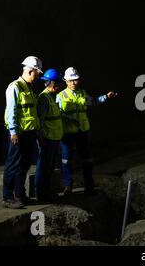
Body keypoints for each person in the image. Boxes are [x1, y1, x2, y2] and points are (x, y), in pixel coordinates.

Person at [57, 67, 117, 195]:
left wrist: (106, 96)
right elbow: (58, 113)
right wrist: (70, 120)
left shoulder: (83, 93)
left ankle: (89, 185)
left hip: (82, 132)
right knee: (66, 160)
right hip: (67, 133)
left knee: (87, 159)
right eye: (71, 80)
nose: (73, 83)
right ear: (66, 81)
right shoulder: (61, 96)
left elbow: (94, 102)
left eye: (76, 80)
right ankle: (68, 185)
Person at [3, 56, 43, 209]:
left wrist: (37, 132)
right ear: (30, 71)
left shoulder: (29, 88)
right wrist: (13, 131)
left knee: (24, 164)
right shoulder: (15, 87)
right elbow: (11, 111)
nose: (38, 77)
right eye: (37, 73)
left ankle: (20, 195)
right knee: (13, 164)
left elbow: (31, 113)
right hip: (18, 133)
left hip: (29, 133)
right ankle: (7, 197)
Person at [35, 69, 64, 203]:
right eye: (60, 84)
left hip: (54, 138)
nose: (61, 87)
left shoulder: (52, 97)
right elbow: (39, 121)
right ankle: (41, 195)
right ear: (54, 84)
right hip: (47, 139)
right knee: (44, 168)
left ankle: (47, 193)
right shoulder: (44, 98)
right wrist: (41, 139)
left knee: (50, 167)